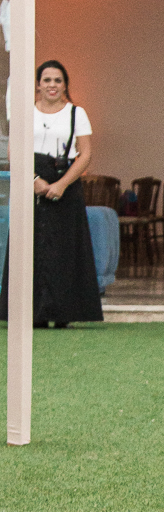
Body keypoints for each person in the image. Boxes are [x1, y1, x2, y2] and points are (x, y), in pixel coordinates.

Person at [0, 60, 102, 329]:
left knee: (64, 248)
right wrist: (32, 179)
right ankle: (31, 312)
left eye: (57, 80)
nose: (52, 85)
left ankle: (63, 311)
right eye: (47, 80)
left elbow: (85, 153)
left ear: (65, 84)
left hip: (64, 182)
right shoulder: (25, 113)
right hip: (31, 180)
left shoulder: (76, 113)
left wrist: (61, 184)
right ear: (37, 84)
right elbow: (15, 151)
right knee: (28, 246)